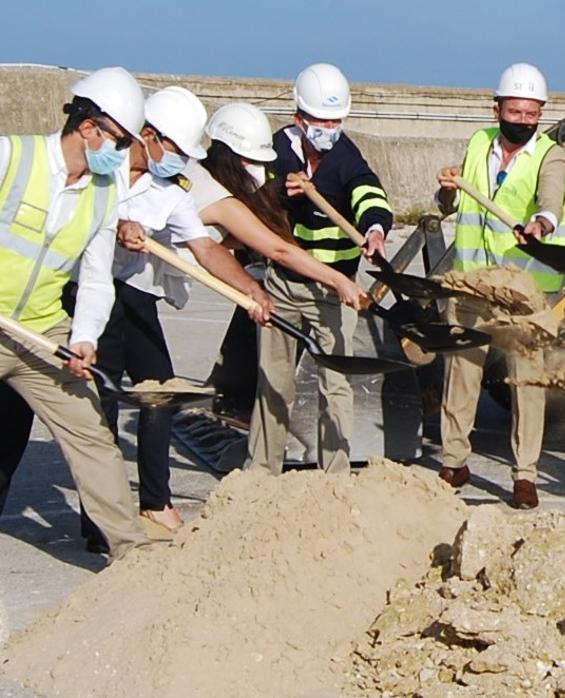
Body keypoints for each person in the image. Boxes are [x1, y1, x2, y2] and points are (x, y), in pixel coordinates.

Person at [0, 67, 149, 558]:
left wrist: (84, 337)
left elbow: (96, 277)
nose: (123, 153)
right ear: (88, 128)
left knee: (92, 435)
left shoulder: (105, 193)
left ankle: (133, 555)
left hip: (43, 331)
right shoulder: (10, 157)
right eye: (119, 141)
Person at [434, 63, 565, 509]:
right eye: (515, 112)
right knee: (461, 376)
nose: (523, 121)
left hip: (522, 291)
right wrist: (449, 191)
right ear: (497, 109)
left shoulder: (551, 155)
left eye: (532, 114)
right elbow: (449, 205)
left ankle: (525, 474)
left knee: (526, 384)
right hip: (473, 284)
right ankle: (454, 460)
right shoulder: (478, 144)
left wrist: (541, 222)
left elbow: (552, 200)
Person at [246, 63, 393, 475]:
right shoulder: (276, 150)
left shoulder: (345, 155)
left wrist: (376, 229)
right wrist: (278, 189)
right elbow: (253, 201)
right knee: (273, 379)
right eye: (322, 121)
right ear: (300, 119)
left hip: (336, 288)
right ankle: (261, 472)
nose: (330, 128)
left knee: (337, 381)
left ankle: (336, 476)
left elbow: (367, 190)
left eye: (336, 120)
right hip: (284, 282)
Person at [189, 102, 370, 423]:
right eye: (250, 161)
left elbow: (216, 248)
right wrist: (338, 280)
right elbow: (279, 250)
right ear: (226, 155)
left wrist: (251, 288)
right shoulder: (216, 196)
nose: (257, 170)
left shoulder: (207, 181)